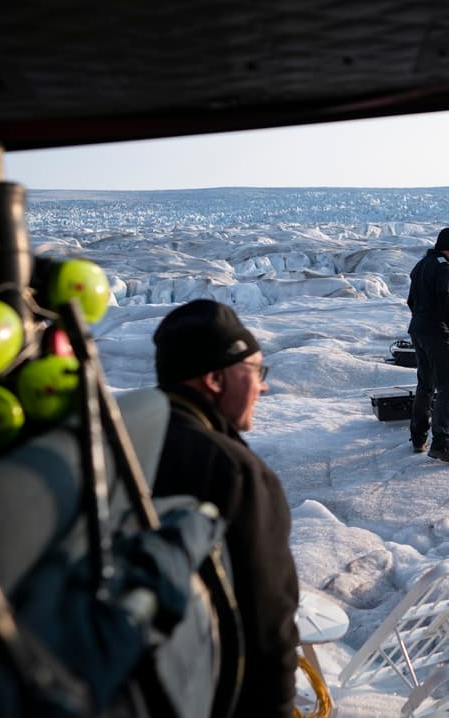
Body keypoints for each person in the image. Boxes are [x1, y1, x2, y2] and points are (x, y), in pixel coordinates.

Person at [150, 299, 299, 718]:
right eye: (254, 373)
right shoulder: (232, 471)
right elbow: (267, 621)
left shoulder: (124, 445)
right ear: (215, 378)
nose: (263, 387)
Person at [406, 227, 449, 463]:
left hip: (417, 330)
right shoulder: (444, 268)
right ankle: (441, 443)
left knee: (425, 384)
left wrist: (421, 319)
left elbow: (410, 300)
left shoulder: (422, 264)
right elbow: (445, 301)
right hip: (436, 333)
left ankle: (418, 437)